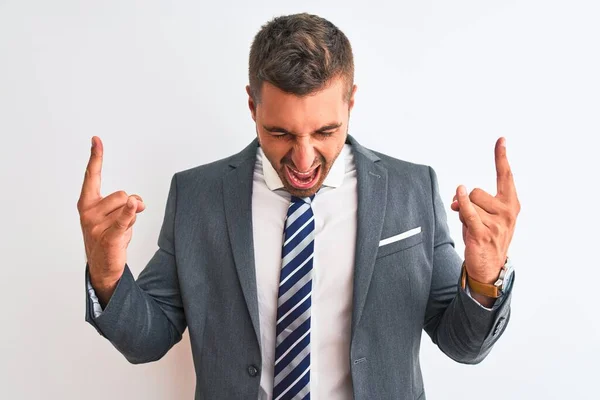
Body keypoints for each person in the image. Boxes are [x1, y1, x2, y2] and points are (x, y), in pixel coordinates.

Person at [79, 13, 520, 400]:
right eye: (282, 134)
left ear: (351, 102)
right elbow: (147, 340)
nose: (304, 160)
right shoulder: (198, 196)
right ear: (252, 105)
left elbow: (462, 345)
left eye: (326, 132)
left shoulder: (411, 189)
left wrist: (484, 279)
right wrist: (108, 276)